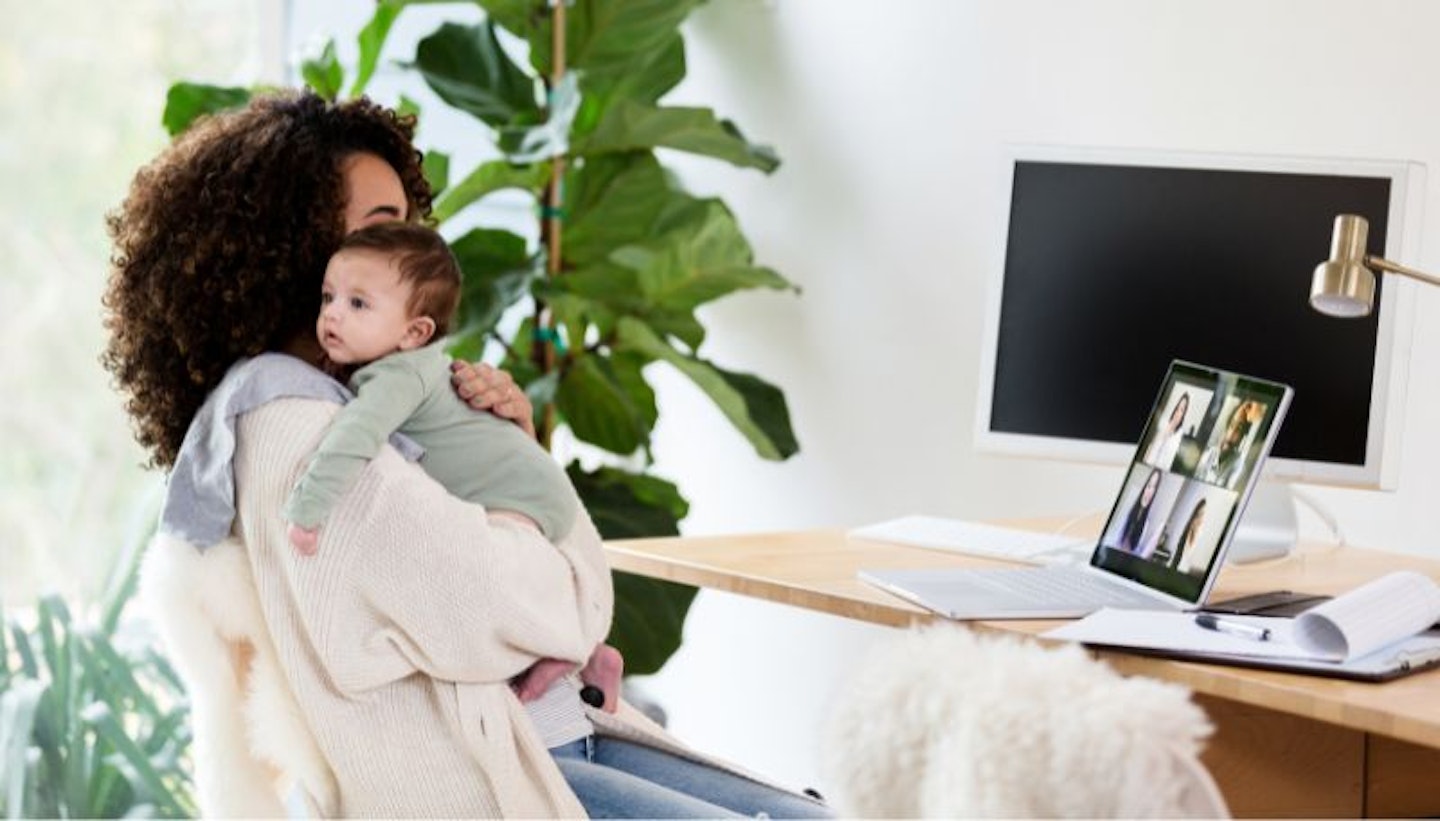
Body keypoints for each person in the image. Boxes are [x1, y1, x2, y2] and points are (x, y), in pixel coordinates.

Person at [103, 89, 830, 818]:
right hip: (497, 778)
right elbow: (534, 602)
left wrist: (511, 446)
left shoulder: (373, 403)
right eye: (382, 232)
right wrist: (549, 559)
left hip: (551, 737)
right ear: (290, 250)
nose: (415, 256)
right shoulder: (296, 427)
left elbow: (545, 588)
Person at [282, 221, 575, 554]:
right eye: (328, 297)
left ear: (414, 333)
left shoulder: (400, 377)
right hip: (536, 484)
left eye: (358, 304)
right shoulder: (414, 367)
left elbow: (354, 434)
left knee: (480, 565)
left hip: (521, 496)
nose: (332, 314)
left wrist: (307, 511)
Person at [1197, 399, 1263, 489]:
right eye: (1231, 426)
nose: (1232, 433)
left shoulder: (1238, 464)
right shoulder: (1211, 452)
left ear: (1242, 436)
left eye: (1238, 429)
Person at [1116, 467, 1161, 556]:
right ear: (1145, 486)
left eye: (1154, 487)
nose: (1150, 491)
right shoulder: (1130, 504)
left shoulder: (1147, 523)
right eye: (1149, 485)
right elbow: (1117, 536)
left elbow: (1138, 550)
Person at [1143, 391, 1189, 471]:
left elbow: (1169, 461)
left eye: (1182, 410)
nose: (1177, 412)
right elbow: (1152, 445)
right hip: (1148, 462)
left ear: (1184, 414)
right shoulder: (1164, 423)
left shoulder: (1179, 435)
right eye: (1177, 408)